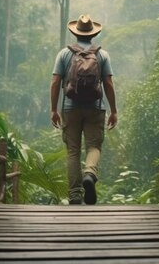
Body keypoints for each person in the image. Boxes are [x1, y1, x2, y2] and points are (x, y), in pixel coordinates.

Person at [50, 14, 117, 205]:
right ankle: (89, 173)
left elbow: (55, 83)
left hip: (70, 108)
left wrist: (54, 109)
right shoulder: (102, 55)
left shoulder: (64, 54)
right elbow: (108, 83)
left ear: (75, 32)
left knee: (73, 151)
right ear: (92, 35)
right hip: (95, 108)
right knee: (94, 146)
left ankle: (75, 195)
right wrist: (114, 110)